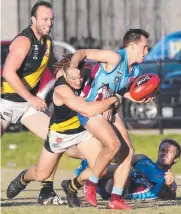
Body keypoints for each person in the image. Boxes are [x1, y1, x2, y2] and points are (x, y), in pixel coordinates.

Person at [6, 55, 120, 207]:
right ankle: (24, 178)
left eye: (80, 76)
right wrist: (113, 100)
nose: (78, 81)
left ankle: (71, 186)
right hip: (59, 135)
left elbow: (109, 87)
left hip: (82, 133)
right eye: (73, 78)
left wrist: (112, 102)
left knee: (102, 168)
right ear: (63, 74)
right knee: (42, 174)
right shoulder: (61, 89)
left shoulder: (89, 78)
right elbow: (87, 109)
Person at [0, 1, 82, 205]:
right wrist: (31, 98)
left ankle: (45, 190)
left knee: (59, 139)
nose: (49, 23)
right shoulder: (24, 41)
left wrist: (67, 72)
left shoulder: (47, 42)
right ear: (33, 20)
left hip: (27, 107)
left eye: (51, 19)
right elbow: (8, 72)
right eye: (45, 19)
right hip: (6, 102)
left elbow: (54, 66)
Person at [61, 29, 153, 210]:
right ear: (132, 46)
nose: (147, 51)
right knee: (113, 145)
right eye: (145, 47)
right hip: (90, 109)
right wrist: (73, 65)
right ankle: (91, 184)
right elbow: (83, 53)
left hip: (108, 110)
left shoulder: (135, 69)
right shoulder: (114, 57)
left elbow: (120, 90)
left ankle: (116, 198)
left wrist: (137, 97)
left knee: (128, 152)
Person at [96, 138, 180, 200]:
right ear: (158, 152)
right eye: (162, 150)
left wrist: (168, 185)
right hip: (108, 180)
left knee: (125, 172)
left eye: (169, 152)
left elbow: (170, 197)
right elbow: (120, 164)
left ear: (176, 159)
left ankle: (95, 174)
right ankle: (94, 174)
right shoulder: (142, 158)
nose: (164, 153)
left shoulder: (169, 180)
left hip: (120, 192)